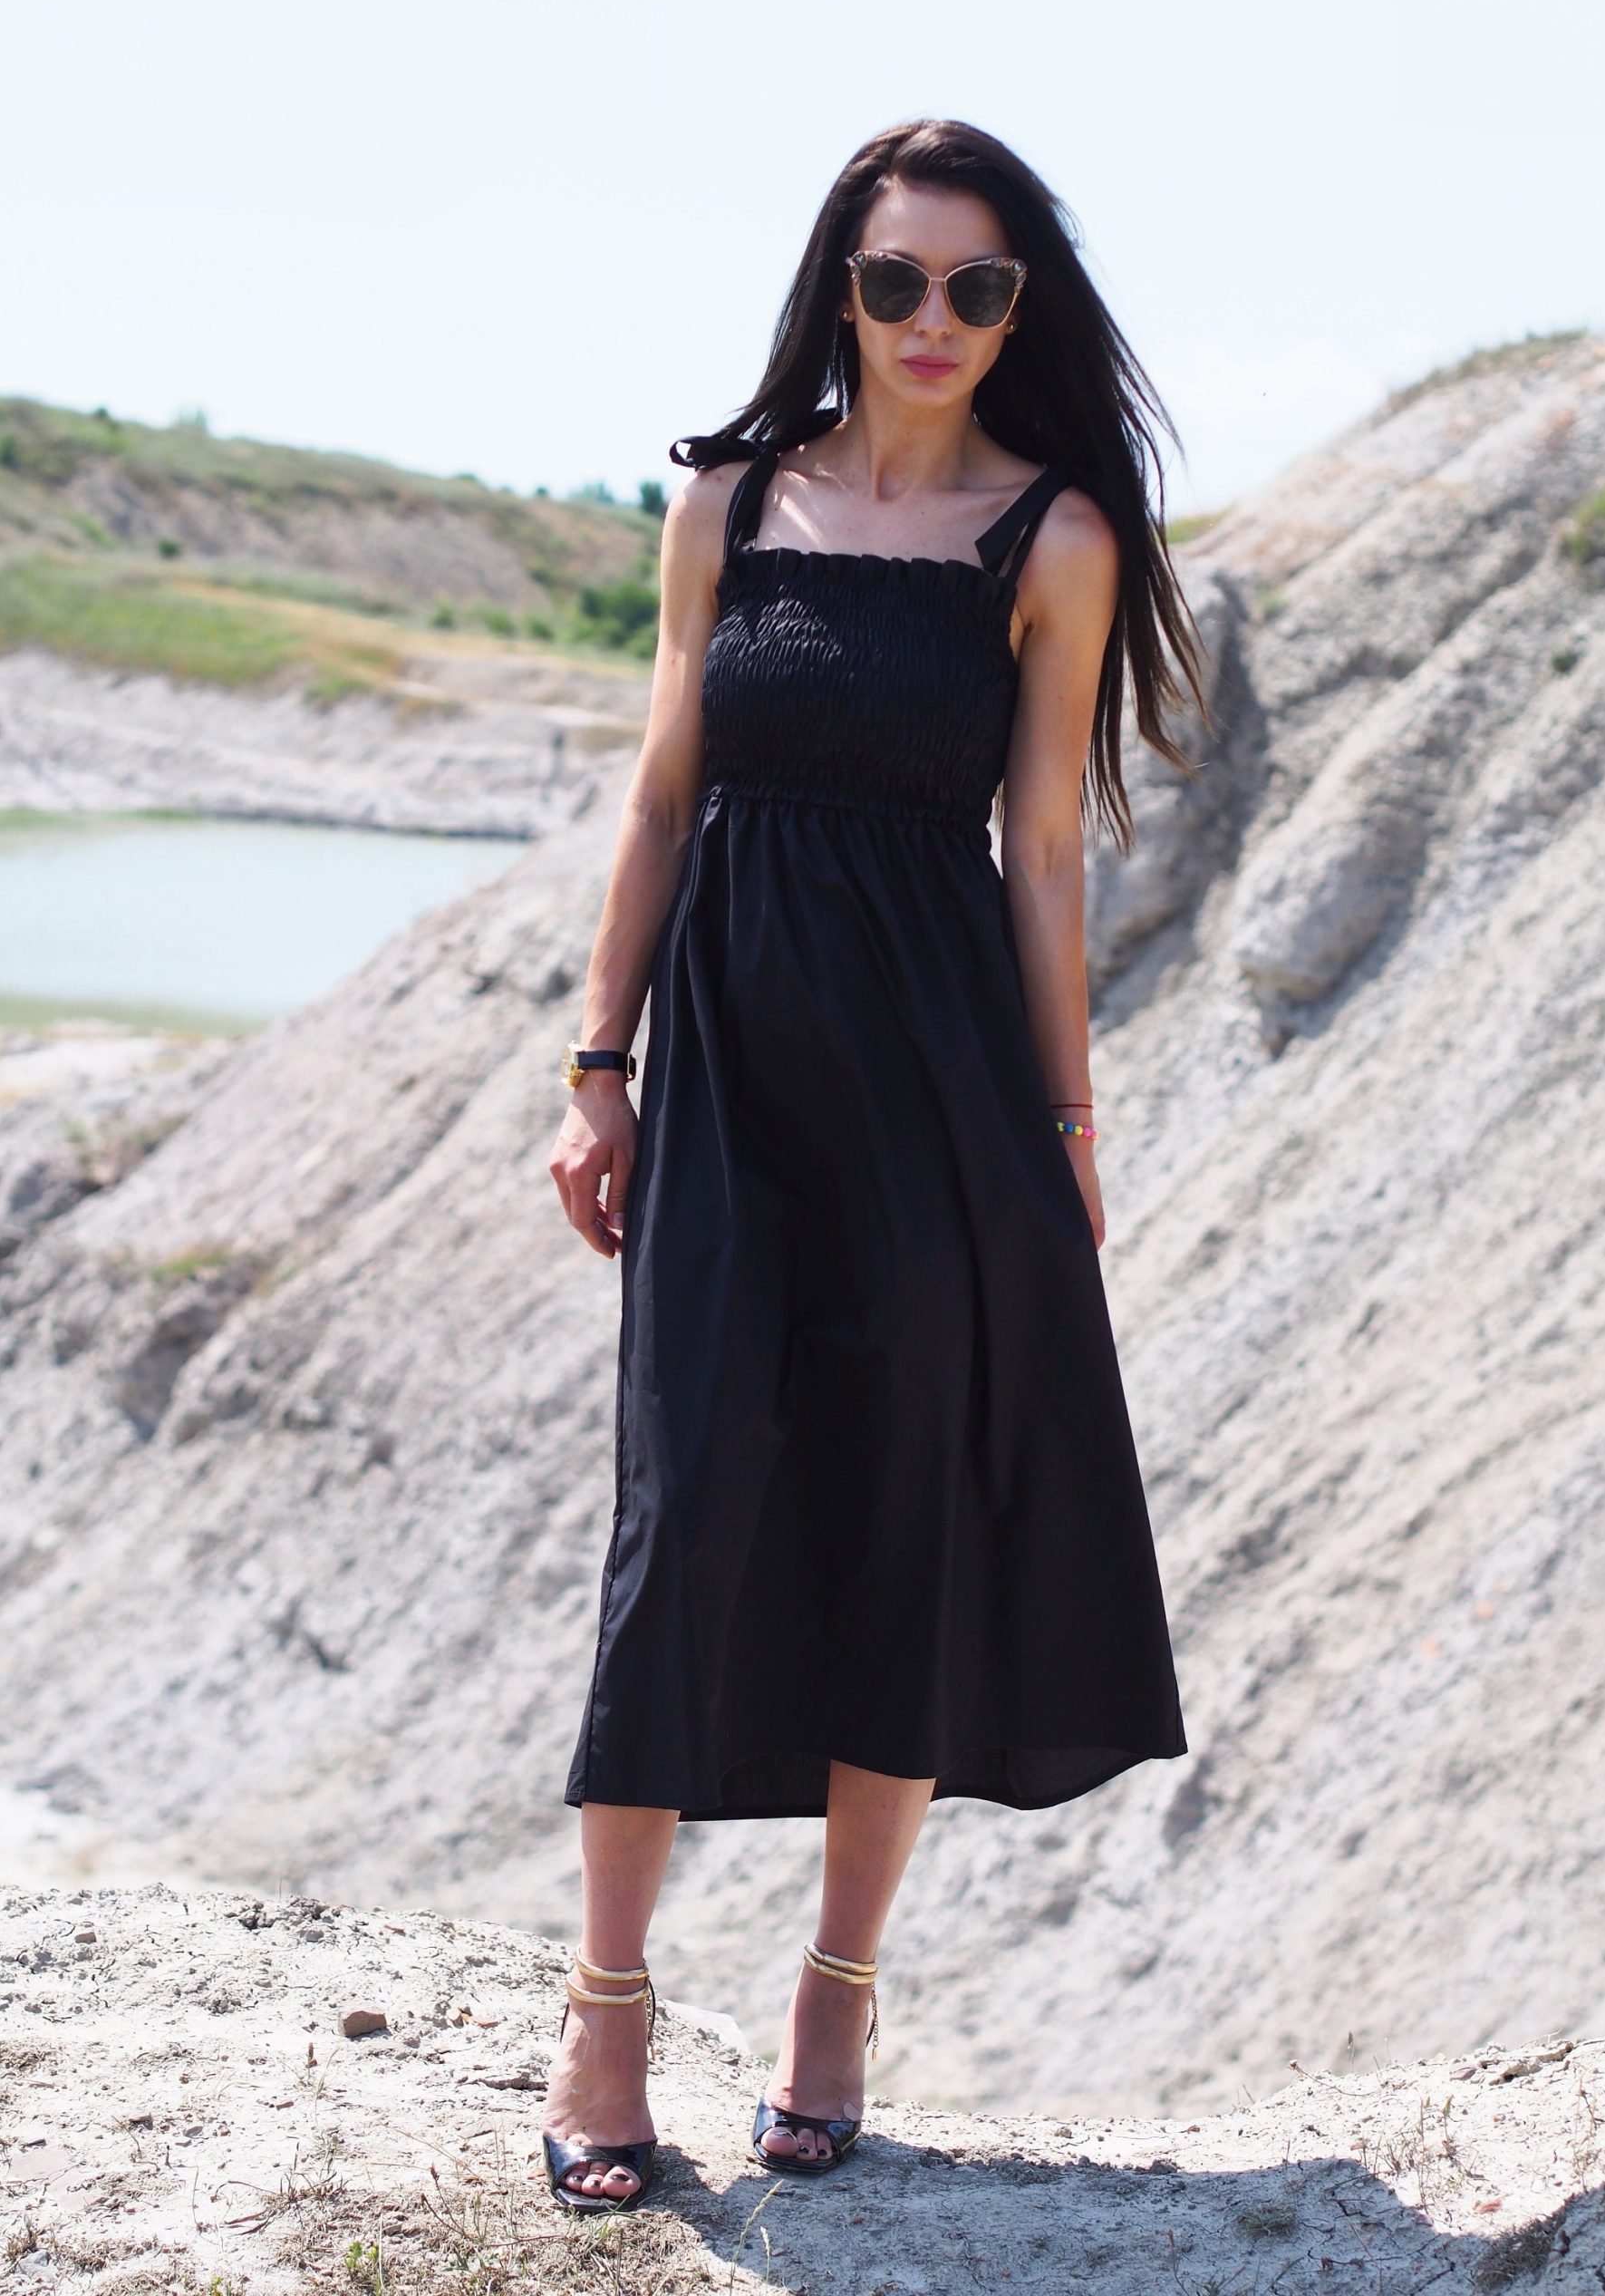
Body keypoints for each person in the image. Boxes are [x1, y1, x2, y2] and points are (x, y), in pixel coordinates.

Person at [543, 116, 1206, 2214]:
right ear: (842, 283)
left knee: (900, 1518)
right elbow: (664, 796)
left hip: (938, 1089)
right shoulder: (729, 503)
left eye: (976, 287)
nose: (934, 318)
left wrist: (1067, 1121)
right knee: (683, 1509)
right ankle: (608, 2004)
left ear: (1018, 310)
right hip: (728, 1070)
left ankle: (834, 1998)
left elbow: (1045, 851)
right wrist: (598, 1064)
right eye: (899, 278)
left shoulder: (1058, 536)